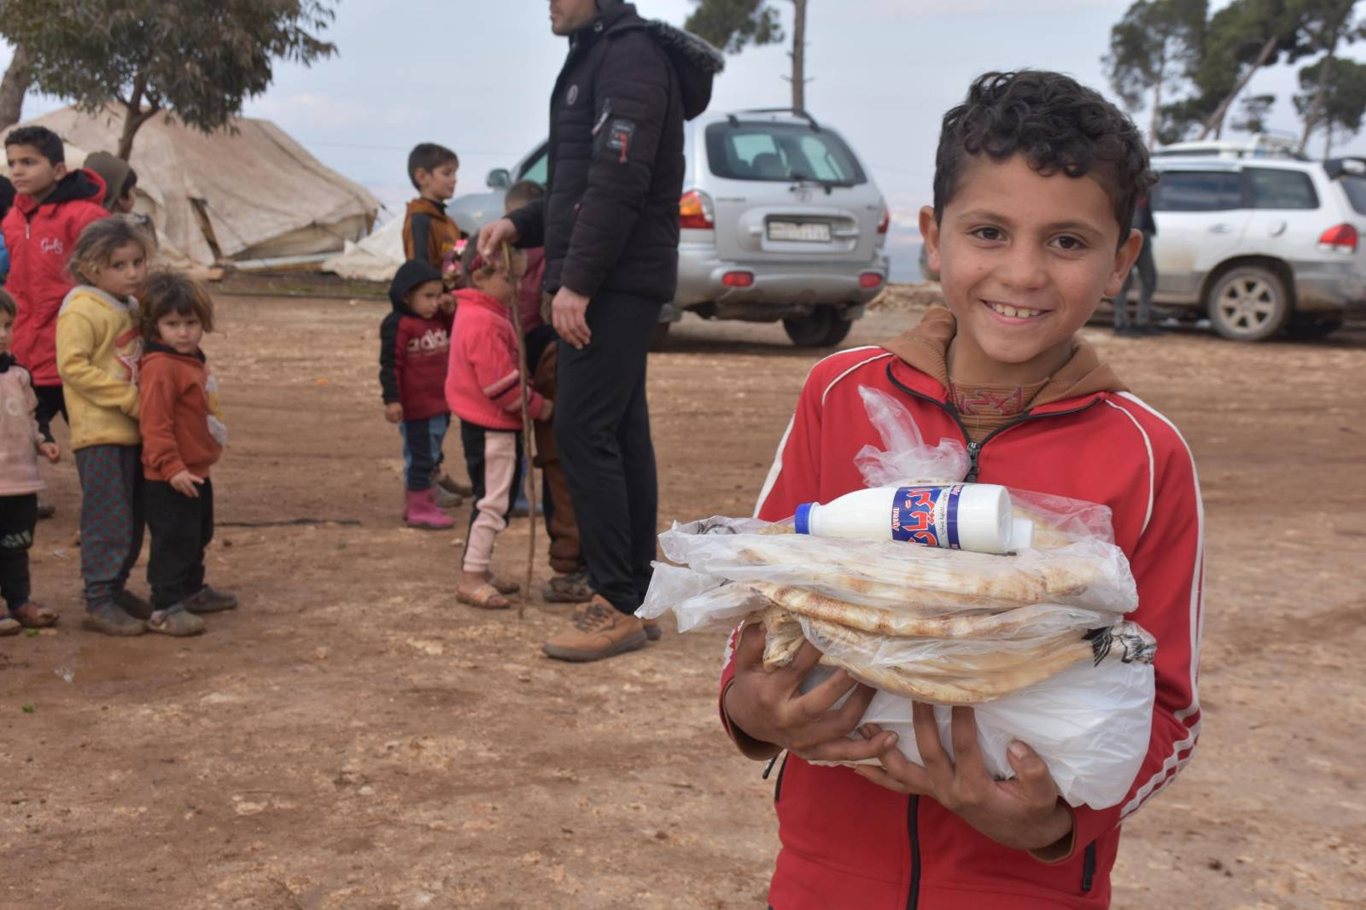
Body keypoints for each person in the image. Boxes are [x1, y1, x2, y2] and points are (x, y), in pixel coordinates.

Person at [718, 71, 1202, 908]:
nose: (1022, 273)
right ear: (933, 236)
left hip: (1025, 887)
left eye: (1068, 242)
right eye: (989, 231)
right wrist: (751, 709)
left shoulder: (1148, 455)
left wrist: (1055, 827)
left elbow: (1169, 707)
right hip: (828, 873)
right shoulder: (840, 398)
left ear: (1123, 259)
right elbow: (764, 595)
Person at [478, 0, 722, 661]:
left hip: (613, 279)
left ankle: (615, 597)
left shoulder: (629, 56)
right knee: (617, 427)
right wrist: (521, 227)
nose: (548, 4)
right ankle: (633, 596)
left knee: (586, 429)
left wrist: (576, 282)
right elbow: (581, 181)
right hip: (616, 273)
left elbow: (619, 178)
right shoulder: (602, 51)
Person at [55, 217, 155, 635]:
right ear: (92, 268)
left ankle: (114, 589)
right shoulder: (82, 309)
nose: (132, 272)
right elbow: (72, 366)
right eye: (119, 265)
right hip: (100, 433)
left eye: (138, 262)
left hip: (133, 430)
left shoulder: (130, 306)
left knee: (132, 517)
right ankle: (99, 599)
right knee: (107, 518)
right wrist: (128, 399)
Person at [445, 242, 552, 611]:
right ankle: (471, 577)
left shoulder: (481, 312)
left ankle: (479, 568)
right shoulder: (484, 321)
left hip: (487, 426)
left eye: (521, 278)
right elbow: (502, 388)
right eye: (509, 278)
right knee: (493, 503)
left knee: (491, 499)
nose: (517, 287)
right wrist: (541, 407)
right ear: (479, 275)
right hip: (494, 429)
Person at [503, 180, 592, 603]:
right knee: (564, 473)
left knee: (561, 475)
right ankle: (573, 563)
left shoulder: (537, 259)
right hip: (546, 353)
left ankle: (570, 567)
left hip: (548, 355)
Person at [137, 272, 235, 636]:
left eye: (191, 323)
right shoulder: (161, 367)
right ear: (154, 326)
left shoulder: (190, 359)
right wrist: (171, 466)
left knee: (197, 534)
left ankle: (191, 590)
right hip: (169, 476)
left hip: (196, 468)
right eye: (172, 324)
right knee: (174, 540)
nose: (183, 332)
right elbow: (155, 423)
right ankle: (164, 605)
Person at [3, 127, 110, 444]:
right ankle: (20, 496)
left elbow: (111, 279)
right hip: (25, 354)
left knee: (96, 441)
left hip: (75, 355)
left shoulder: (86, 217)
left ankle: (109, 496)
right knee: (19, 438)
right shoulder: (12, 219)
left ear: (59, 170)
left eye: (29, 162)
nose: (18, 171)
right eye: (13, 163)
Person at [402, 142, 471, 505]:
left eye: (455, 174)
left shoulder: (447, 219)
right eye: (447, 174)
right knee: (424, 404)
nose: (454, 181)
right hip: (427, 321)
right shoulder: (420, 219)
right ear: (422, 177)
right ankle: (423, 480)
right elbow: (418, 268)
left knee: (443, 402)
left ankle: (436, 470)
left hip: (447, 319)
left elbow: (455, 258)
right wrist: (432, 297)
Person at [0, 288, 62, 635]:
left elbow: (31, 417)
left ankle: (20, 601)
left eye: (7, 325)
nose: (2, 334)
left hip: (21, 482)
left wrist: (44, 442)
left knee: (15, 546)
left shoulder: (19, 376)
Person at [379, 260, 456, 530]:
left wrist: (449, 312)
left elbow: (455, 334)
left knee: (431, 455)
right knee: (420, 457)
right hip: (416, 408)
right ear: (406, 295)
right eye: (428, 296)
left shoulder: (436, 321)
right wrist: (392, 399)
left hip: (440, 404)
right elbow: (391, 365)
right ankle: (419, 508)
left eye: (438, 296)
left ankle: (424, 501)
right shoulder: (399, 325)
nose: (434, 303)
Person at [1113, 191, 1159, 337]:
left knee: (1150, 279)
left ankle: (1142, 322)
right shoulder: (1125, 188)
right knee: (1124, 281)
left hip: (1144, 237)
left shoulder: (1146, 191)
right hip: (1126, 238)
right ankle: (1120, 323)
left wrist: (1150, 229)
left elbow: (1146, 212)